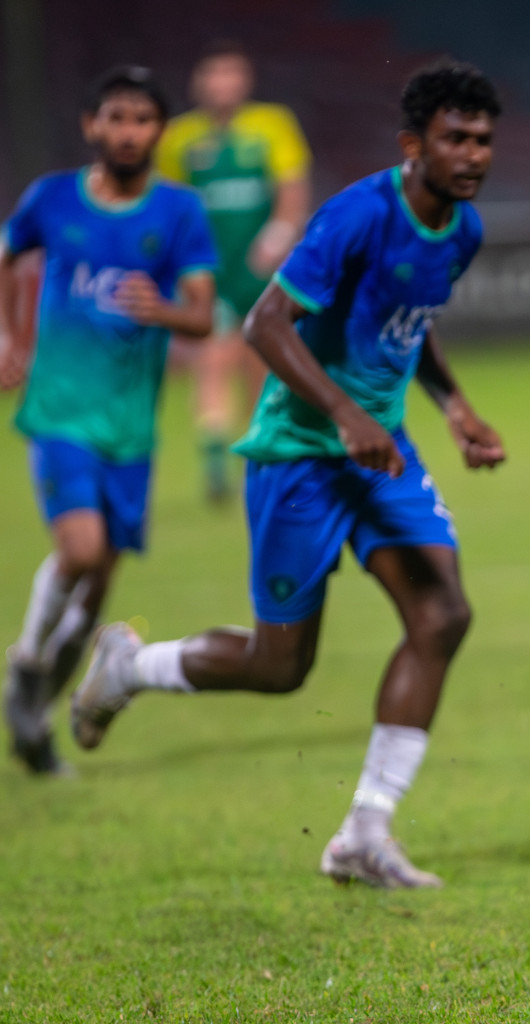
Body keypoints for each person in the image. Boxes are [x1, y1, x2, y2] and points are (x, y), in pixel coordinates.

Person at [70, 61, 505, 889]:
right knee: (280, 667)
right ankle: (129, 668)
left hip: (380, 453)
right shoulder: (358, 216)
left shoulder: (464, 230)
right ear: (414, 145)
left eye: (484, 140)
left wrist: (453, 407)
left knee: (443, 614)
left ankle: (363, 834)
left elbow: (410, 324)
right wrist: (345, 416)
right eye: (456, 138)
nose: (474, 154)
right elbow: (268, 324)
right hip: (302, 454)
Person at [0, 66, 217, 775]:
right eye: (116, 118)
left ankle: (35, 720)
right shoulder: (53, 198)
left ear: (161, 130)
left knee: (96, 593)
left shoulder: (178, 212)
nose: (128, 132)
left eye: (143, 119)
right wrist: (10, 338)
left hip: (131, 427)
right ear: (93, 125)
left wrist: (164, 311)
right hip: (61, 411)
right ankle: (27, 664)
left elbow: (202, 311)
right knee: (82, 551)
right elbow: (8, 256)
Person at [158, 40, 312, 504]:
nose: (223, 84)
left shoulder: (272, 124)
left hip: (262, 270)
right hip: (211, 273)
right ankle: (214, 465)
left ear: (245, 81)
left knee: (261, 368)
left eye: (232, 74)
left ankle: (259, 454)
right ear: (198, 83)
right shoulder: (178, 138)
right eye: (214, 75)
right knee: (212, 360)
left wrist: (278, 237)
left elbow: (292, 189)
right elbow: (171, 204)